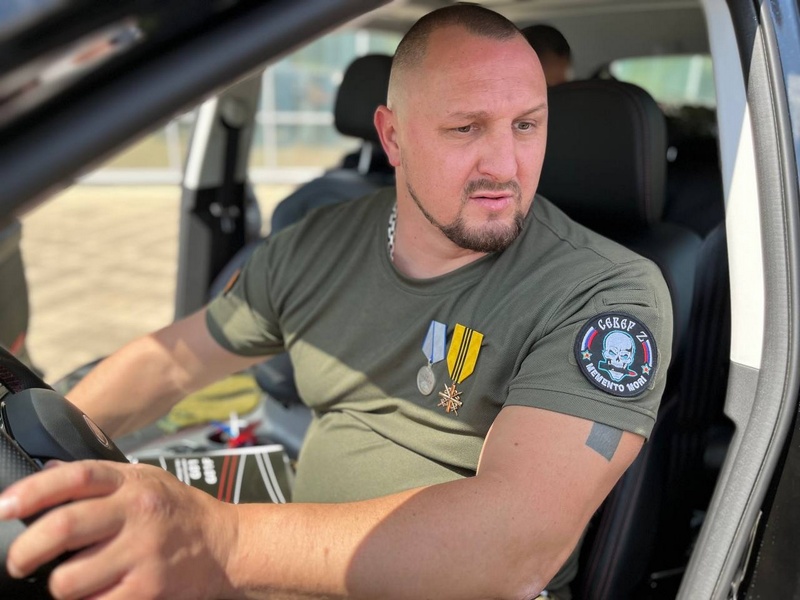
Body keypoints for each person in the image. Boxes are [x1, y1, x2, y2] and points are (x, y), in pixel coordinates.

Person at [0, 4, 672, 599]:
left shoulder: (605, 296)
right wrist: (29, 452)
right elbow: (172, 362)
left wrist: (221, 541)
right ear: (393, 136)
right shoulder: (317, 243)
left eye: (526, 125)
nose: (504, 165)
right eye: (466, 128)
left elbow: (513, 548)